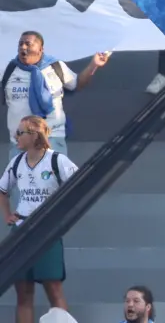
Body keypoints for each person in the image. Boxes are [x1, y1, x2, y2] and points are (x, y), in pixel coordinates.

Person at [1, 116, 79, 323]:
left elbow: (78, 185)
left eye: (20, 133)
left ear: (34, 135)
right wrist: (7, 215)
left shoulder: (56, 160)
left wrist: (61, 214)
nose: (16, 136)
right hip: (21, 229)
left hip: (46, 230)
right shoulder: (17, 161)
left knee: (53, 288)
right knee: (23, 292)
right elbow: (2, 190)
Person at [3, 32, 109, 159]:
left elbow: (77, 84)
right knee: (20, 178)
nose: (23, 47)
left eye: (28, 44)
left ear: (40, 49)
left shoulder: (55, 67)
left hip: (52, 138)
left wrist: (94, 65)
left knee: (54, 177)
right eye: (20, 44)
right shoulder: (8, 70)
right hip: (20, 141)